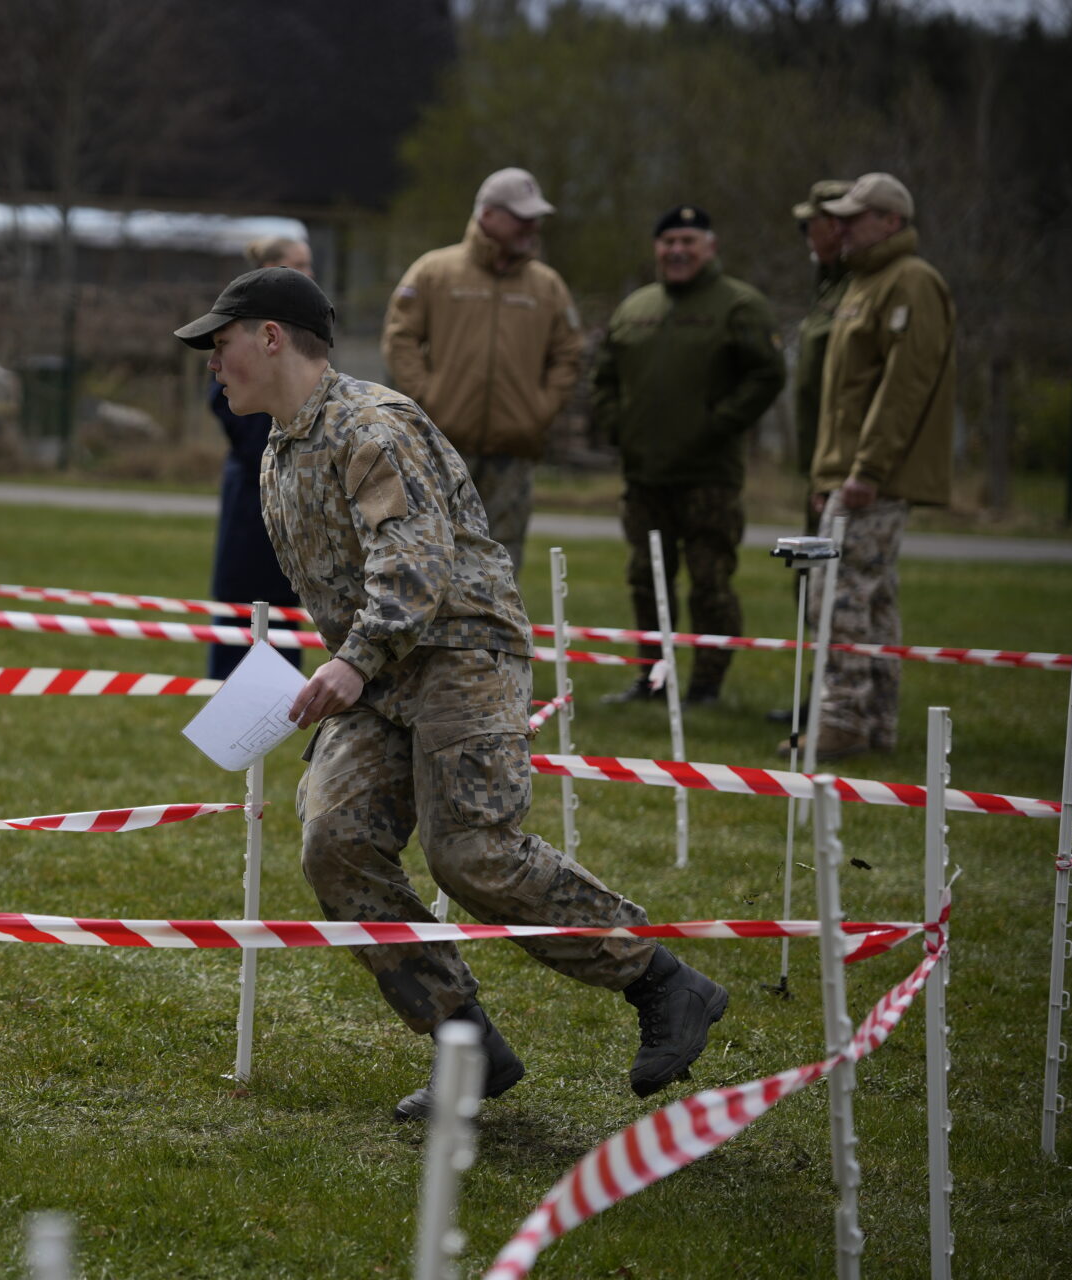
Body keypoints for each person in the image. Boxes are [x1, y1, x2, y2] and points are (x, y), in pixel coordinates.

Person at [172, 267, 729, 1118]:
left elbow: (415, 563)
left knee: (471, 852)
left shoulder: (373, 427)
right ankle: (465, 1044)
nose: (213, 362)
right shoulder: (281, 449)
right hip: (380, 670)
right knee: (335, 844)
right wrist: (344, 668)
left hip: (461, 651)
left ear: (271, 337)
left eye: (222, 342)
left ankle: (661, 981)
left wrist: (354, 661)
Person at [592, 206, 786, 706]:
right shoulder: (636, 307)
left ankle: (706, 684)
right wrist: (618, 427)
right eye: (668, 241)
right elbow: (604, 376)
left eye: (688, 241)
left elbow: (767, 374)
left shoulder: (739, 306)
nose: (677, 250)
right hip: (645, 475)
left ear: (709, 247)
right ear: (656, 248)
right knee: (646, 578)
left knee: (709, 581)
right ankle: (653, 678)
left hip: (708, 476)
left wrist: (717, 424)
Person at [799, 173, 956, 761]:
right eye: (837, 218)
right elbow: (847, 394)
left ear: (891, 221)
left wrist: (866, 469)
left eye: (854, 218)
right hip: (849, 473)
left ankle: (842, 719)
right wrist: (829, 473)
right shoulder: (865, 283)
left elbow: (904, 387)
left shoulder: (911, 281)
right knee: (875, 598)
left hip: (872, 478)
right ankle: (876, 723)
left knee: (838, 596)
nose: (840, 227)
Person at [380, 167, 584, 576]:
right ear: (487, 215)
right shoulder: (435, 271)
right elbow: (400, 339)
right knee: (432, 561)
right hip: (442, 450)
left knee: (500, 568)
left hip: (512, 456)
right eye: (521, 216)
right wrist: (428, 401)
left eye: (535, 217)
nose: (532, 225)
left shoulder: (547, 286)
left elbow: (569, 355)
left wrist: (538, 411)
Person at [206, 235, 311, 679]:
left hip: (292, 499)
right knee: (242, 610)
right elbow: (221, 398)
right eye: (298, 264)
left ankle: (284, 700)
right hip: (253, 497)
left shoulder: (302, 333)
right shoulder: (240, 329)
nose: (309, 274)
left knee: (286, 612)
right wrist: (274, 457)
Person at [766, 179, 851, 726]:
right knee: (812, 589)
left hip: (842, 465)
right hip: (823, 463)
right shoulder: (831, 289)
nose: (806, 236)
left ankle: (839, 702)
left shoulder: (858, 291)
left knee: (837, 592)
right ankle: (822, 695)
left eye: (811, 225)